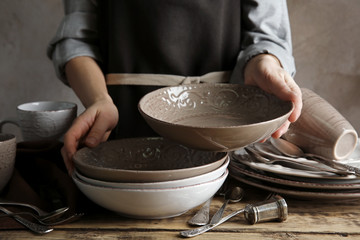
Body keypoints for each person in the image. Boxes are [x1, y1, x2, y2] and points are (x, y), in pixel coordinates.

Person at [48, 0, 302, 174]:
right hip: (121, 135)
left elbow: (268, 35)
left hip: (228, 146)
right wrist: (98, 100)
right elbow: (77, 40)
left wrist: (264, 62)